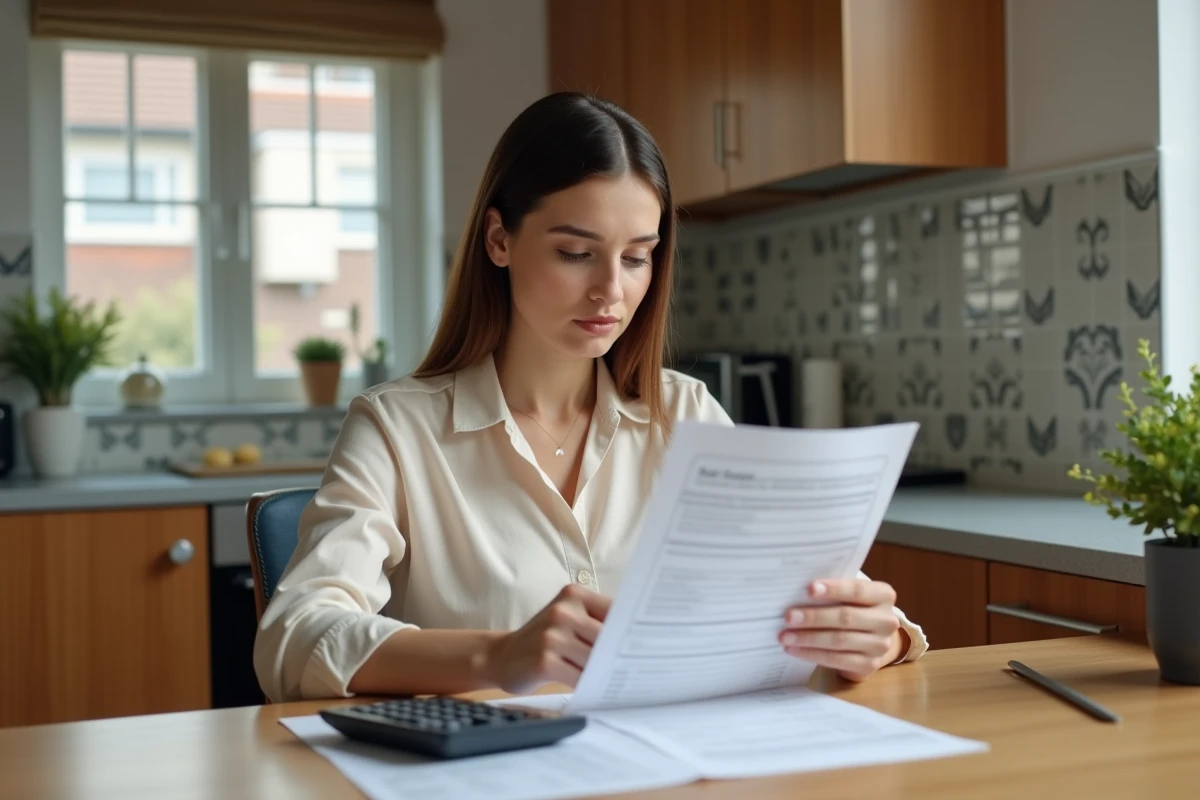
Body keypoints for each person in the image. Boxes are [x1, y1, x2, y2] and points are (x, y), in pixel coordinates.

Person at [253, 92, 928, 703]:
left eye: (637, 257)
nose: (612, 290)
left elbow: (811, 596)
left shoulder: (686, 414)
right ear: (499, 240)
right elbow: (292, 640)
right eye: (577, 253)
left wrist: (878, 637)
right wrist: (499, 653)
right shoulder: (397, 430)